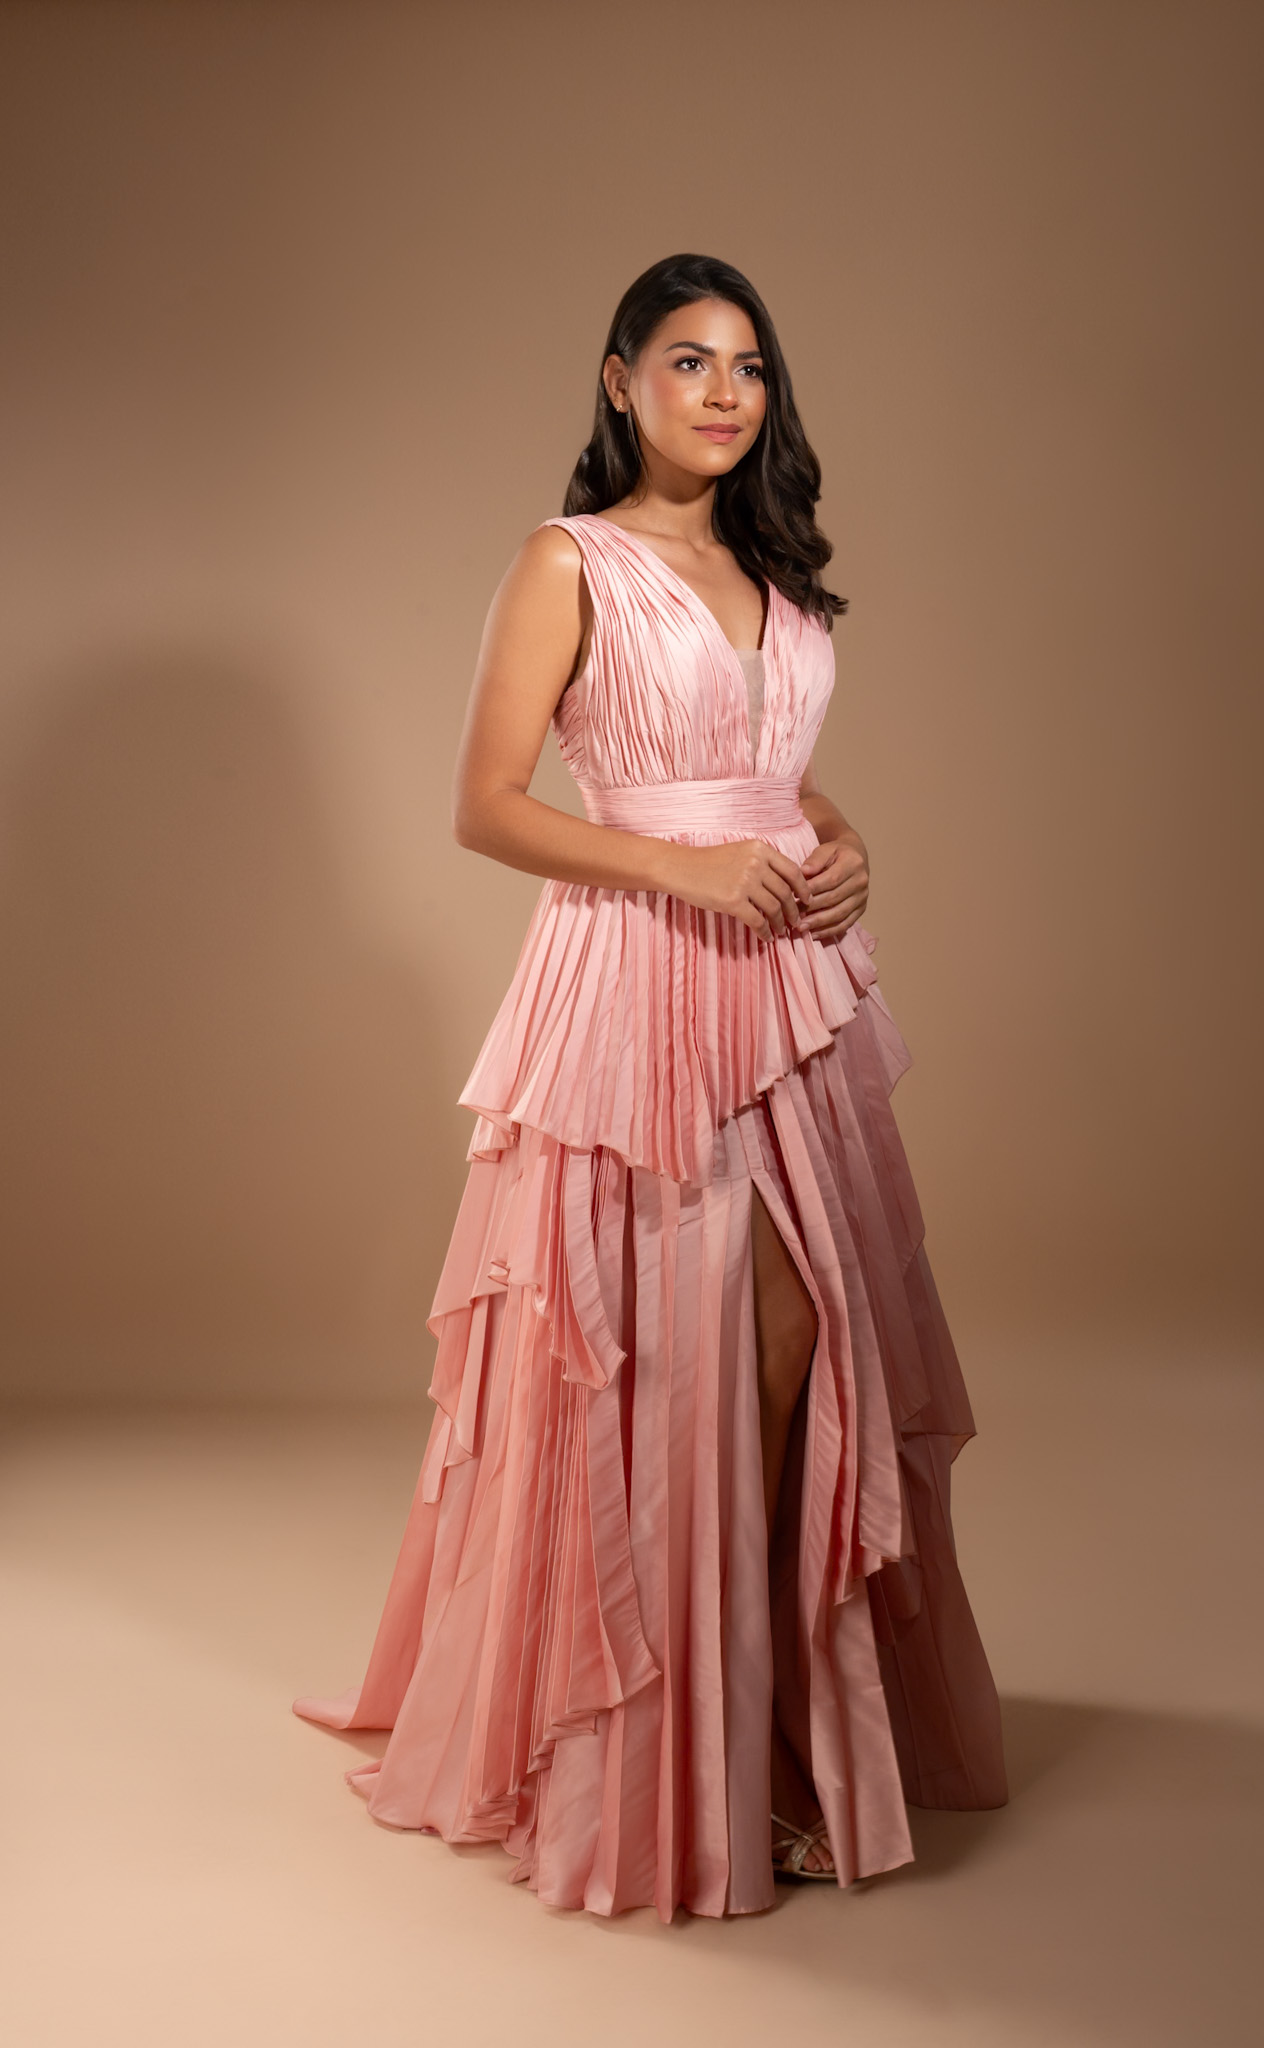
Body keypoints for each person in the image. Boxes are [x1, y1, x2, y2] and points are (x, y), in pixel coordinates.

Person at [293, 252, 1008, 1920]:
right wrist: (683, 872)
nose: (724, 392)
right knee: (675, 1353)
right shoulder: (568, 561)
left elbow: (767, 770)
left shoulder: (769, 566)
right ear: (619, 381)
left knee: (808, 1342)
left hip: (794, 986)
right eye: (688, 361)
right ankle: (681, 1742)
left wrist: (844, 836)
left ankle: (764, 1713)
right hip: (638, 981)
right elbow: (487, 802)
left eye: (748, 366)